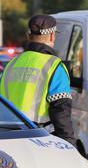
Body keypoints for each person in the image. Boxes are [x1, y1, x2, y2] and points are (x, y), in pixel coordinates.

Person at [0, 15, 76, 146]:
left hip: (7, 138)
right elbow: (61, 109)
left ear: (29, 36)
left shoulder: (12, 64)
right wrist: (69, 143)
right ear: (52, 35)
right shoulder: (54, 65)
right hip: (40, 139)